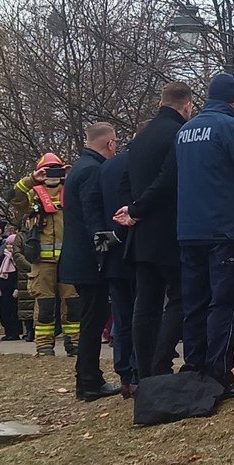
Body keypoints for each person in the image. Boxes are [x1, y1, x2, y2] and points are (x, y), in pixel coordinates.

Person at [175, 73, 234, 395]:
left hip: (189, 231)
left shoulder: (186, 131)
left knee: (196, 303)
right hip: (225, 230)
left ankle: (195, 367)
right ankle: (219, 373)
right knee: (227, 302)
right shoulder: (231, 127)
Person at [115, 81, 194, 380]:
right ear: (186, 106)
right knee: (180, 298)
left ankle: (143, 373)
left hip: (140, 235)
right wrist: (137, 210)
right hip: (167, 231)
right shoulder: (178, 134)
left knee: (145, 305)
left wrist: (129, 211)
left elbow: (125, 179)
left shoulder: (142, 135)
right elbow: (167, 180)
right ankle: (160, 366)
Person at [57, 123, 122, 401]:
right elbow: (93, 217)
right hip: (88, 260)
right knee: (93, 322)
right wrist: (105, 251)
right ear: (109, 144)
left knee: (91, 321)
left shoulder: (79, 168)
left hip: (78, 257)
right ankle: (89, 381)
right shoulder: (92, 171)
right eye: (116, 143)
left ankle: (88, 379)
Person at [10, 153, 77, 357]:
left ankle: (74, 343)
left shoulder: (71, 190)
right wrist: (32, 179)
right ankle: (44, 345)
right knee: (45, 305)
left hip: (70, 258)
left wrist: (74, 176)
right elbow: (13, 197)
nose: (52, 174)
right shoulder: (33, 194)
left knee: (74, 303)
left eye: (56, 169)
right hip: (42, 261)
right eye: (47, 170)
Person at [99, 144, 137, 395]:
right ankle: (137, 372)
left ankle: (125, 373)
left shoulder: (105, 168)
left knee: (122, 318)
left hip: (110, 250)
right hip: (134, 249)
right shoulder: (139, 165)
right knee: (141, 314)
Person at [0, 234, 20, 348]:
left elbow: (20, 273)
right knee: (4, 310)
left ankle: (15, 332)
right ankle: (7, 332)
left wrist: (17, 288)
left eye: (12, 244)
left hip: (13, 287)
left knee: (13, 311)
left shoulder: (18, 258)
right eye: (8, 244)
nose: (9, 246)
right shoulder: (2, 257)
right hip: (3, 287)